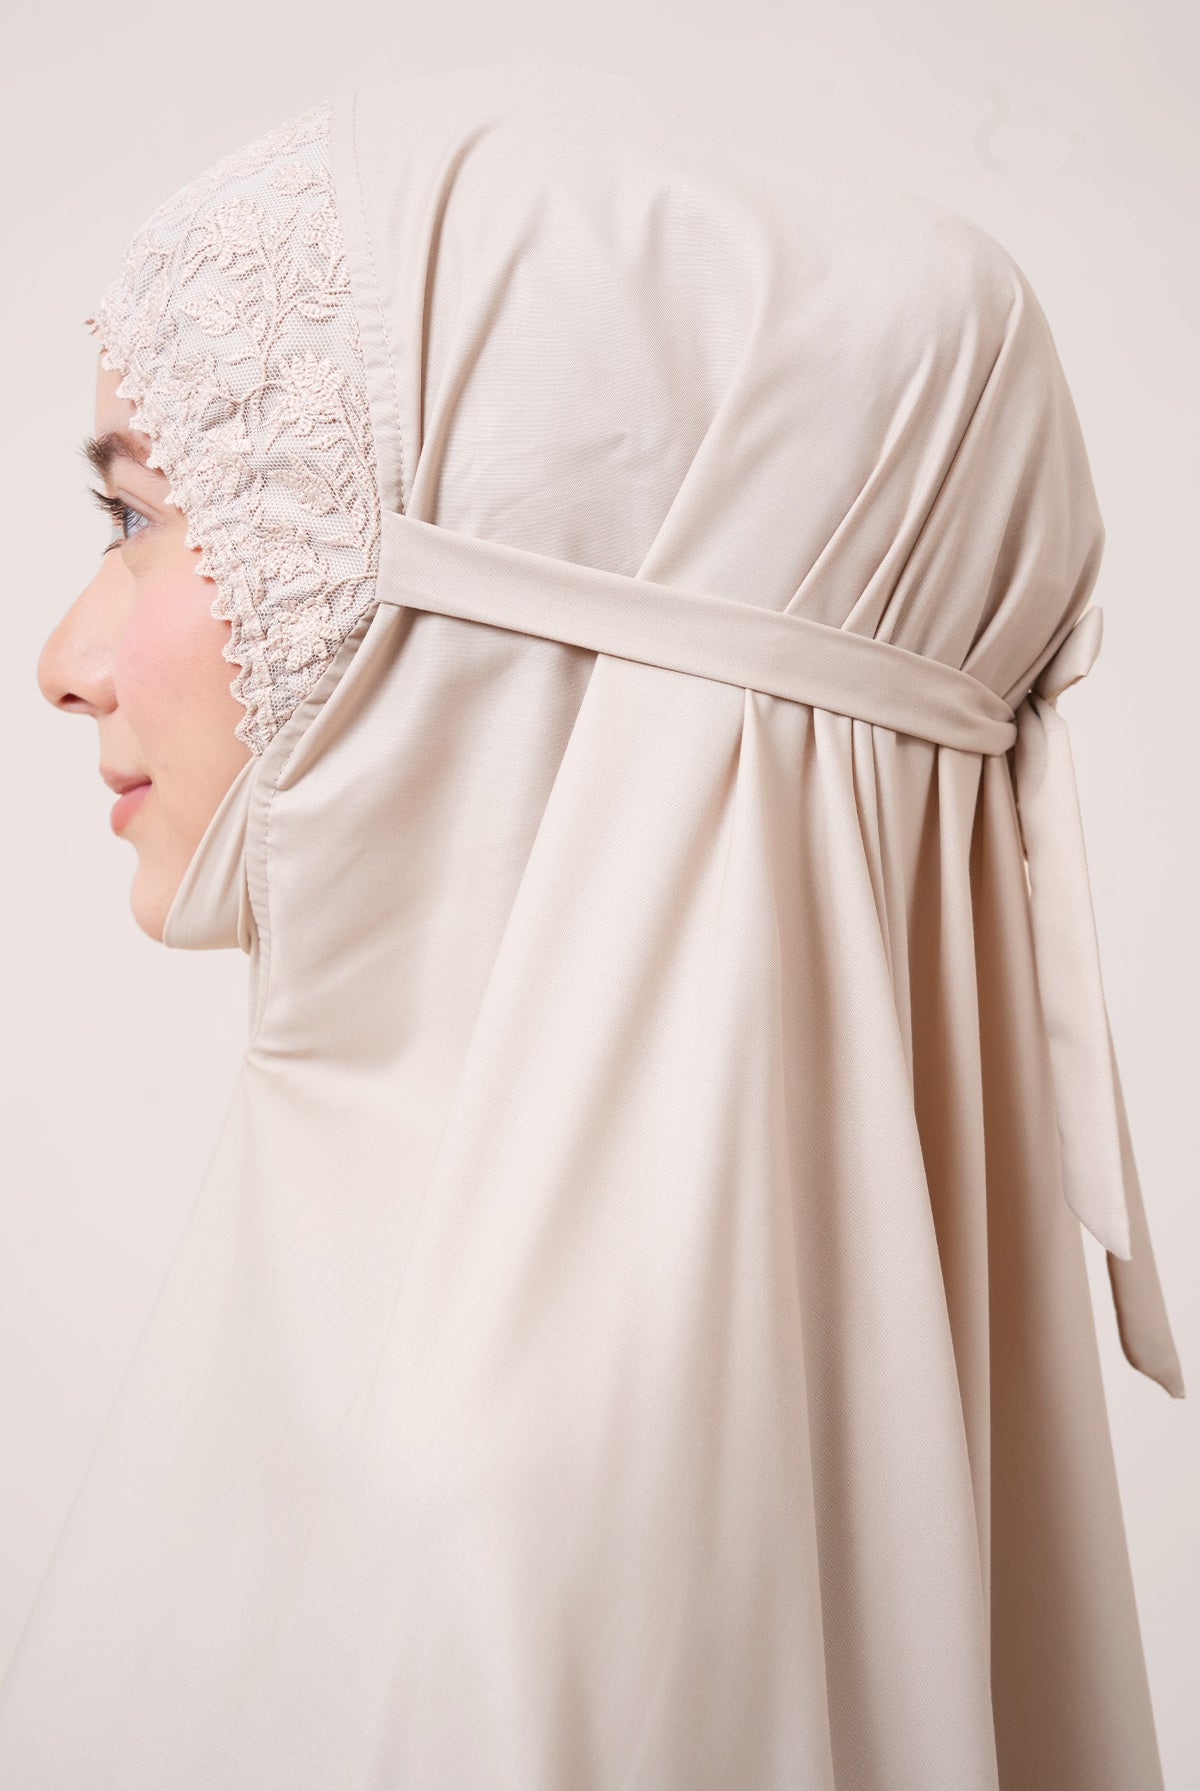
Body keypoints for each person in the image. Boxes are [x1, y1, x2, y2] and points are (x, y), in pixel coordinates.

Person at [7, 58, 1185, 1789]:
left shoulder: (501, 1523)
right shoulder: (729, 1387)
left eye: (141, 517)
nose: (65, 661)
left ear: (472, 612)